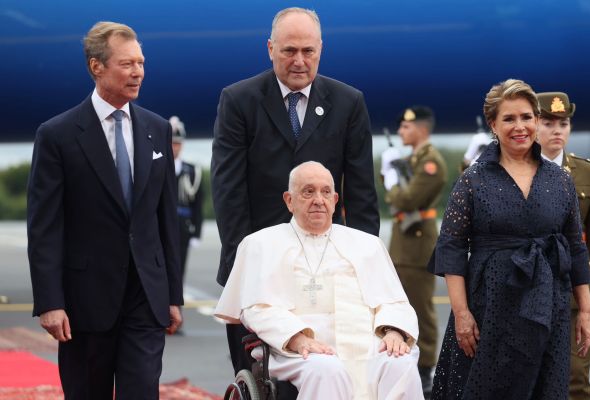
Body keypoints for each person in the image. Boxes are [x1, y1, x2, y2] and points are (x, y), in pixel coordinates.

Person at [211, 7, 380, 373]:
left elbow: (362, 192)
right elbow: (229, 192)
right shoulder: (239, 100)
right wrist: (247, 261)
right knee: (256, 373)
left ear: (321, 49)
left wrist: (367, 267)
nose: (299, 61)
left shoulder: (348, 102)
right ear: (270, 48)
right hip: (259, 264)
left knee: (329, 371)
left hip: (327, 270)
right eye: (289, 51)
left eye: (308, 51)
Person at [27, 21, 183, 398]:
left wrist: (173, 295)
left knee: (142, 391)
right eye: (127, 63)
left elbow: (166, 219)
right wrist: (50, 302)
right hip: (85, 301)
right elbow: (45, 226)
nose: (138, 72)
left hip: (145, 296)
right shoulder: (57, 135)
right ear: (97, 67)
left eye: (141, 63)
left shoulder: (156, 128)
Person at [428, 79, 590, 399]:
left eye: (527, 117)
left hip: (550, 307)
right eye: (509, 119)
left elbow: (575, 245)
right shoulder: (473, 180)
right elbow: (451, 247)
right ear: (493, 124)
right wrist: (461, 314)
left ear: (535, 119)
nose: (520, 126)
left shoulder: (560, 180)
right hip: (489, 308)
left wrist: (584, 310)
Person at [215, 161, 423, 400]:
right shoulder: (261, 244)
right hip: (296, 350)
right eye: (308, 191)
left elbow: (394, 301)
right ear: (289, 200)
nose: (318, 199)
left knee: (400, 363)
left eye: (325, 192)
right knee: (327, 370)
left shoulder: (367, 244)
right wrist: (297, 338)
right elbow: (257, 310)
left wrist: (394, 331)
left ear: (335, 200)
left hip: (367, 345)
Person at [536, 91, 590, 400]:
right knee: (532, 376)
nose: (557, 130)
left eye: (563, 123)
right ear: (534, 125)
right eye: (548, 123)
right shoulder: (518, 169)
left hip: (577, 288)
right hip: (530, 285)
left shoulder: (586, 171)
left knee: (575, 379)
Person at [381, 106, 447, 397]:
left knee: (421, 310)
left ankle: (426, 370)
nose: (401, 132)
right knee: (402, 307)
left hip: (418, 246)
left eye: (406, 128)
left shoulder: (430, 162)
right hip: (403, 244)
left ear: (421, 129)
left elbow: (407, 200)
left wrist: (391, 183)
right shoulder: (413, 160)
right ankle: (407, 366)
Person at [170, 116, 204, 282]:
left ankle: (176, 306)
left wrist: (196, 233)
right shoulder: (157, 166)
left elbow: (197, 205)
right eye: (171, 143)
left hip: (182, 226)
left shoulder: (191, 171)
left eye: (177, 143)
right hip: (161, 225)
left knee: (179, 267)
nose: (174, 147)